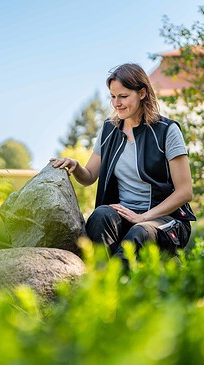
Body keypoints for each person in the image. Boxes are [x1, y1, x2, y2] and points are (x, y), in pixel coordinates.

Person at [51, 63, 196, 262]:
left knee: (139, 233)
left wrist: (144, 217)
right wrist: (75, 166)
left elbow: (185, 191)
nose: (116, 103)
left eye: (123, 96)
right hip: (125, 216)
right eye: (112, 96)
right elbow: (89, 177)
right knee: (100, 215)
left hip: (164, 220)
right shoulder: (109, 130)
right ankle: (101, 277)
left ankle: (112, 282)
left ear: (142, 93)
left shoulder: (167, 131)